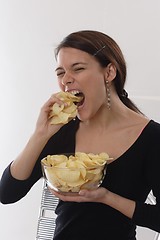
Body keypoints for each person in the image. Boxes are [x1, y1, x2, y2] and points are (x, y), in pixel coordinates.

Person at [0, 30, 160, 240]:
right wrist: (40, 134)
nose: (66, 80)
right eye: (60, 72)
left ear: (109, 72)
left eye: (78, 68)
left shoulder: (151, 137)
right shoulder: (62, 129)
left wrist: (107, 198)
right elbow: (7, 193)